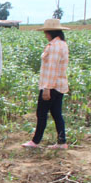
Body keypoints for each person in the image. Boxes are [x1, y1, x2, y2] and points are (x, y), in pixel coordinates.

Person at [22, 19, 70, 150]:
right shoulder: (62, 44)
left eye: (46, 32)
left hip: (51, 86)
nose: (45, 34)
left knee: (41, 113)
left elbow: (52, 68)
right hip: (59, 85)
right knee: (56, 113)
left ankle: (35, 141)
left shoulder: (54, 47)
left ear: (50, 32)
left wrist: (47, 88)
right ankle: (62, 141)